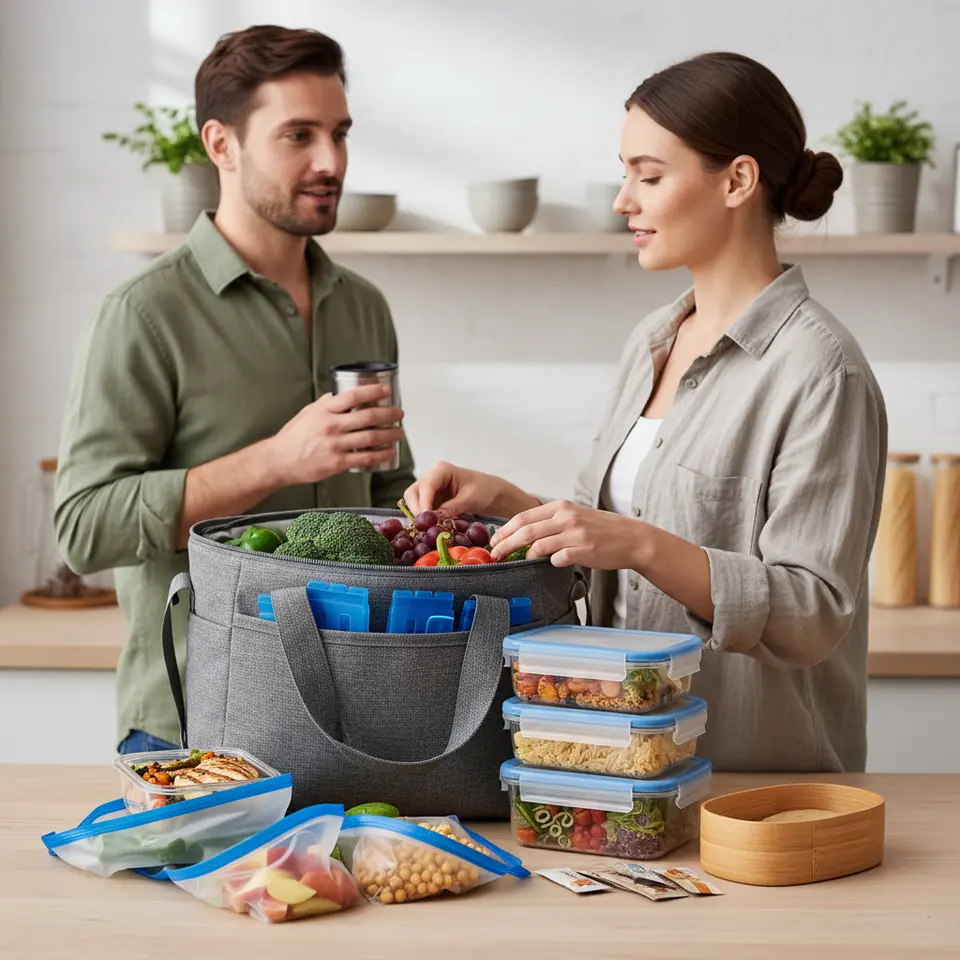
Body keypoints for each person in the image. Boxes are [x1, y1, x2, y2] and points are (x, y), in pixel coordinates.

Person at [405, 52, 887, 773]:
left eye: (649, 176)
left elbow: (813, 613)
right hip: (623, 772)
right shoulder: (653, 341)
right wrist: (514, 506)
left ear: (738, 181)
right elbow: (621, 543)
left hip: (752, 794)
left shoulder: (821, 371)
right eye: (625, 173)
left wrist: (637, 543)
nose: (623, 200)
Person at [55, 25, 414, 755]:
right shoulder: (145, 314)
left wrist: (439, 510)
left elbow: (384, 499)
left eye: (339, 134)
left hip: (356, 718)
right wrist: (279, 461)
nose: (330, 161)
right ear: (221, 145)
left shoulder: (363, 305)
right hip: (194, 722)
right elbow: (83, 527)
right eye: (298, 135)